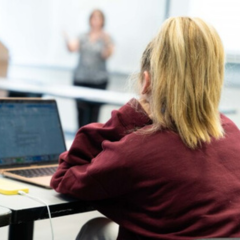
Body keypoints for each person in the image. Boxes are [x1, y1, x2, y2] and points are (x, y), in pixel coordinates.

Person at [51, 17, 240, 239]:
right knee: (100, 229)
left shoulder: (137, 152)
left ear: (147, 81)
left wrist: (130, 115)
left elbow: (64, 177)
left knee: (95, 229)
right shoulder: (233, 134)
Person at [64, 9, 114, 128]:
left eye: (98, 18)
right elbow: (72, 48)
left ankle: (91, 143)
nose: (95, 21)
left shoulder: (106, 38)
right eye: (93, 18)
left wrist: (106, 41)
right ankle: (80, 140)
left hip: (98, 82)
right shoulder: (83, 36)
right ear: (90, 20)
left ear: (103, 21)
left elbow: (107, 54)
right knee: (81, 115)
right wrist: (66, 39)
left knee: (94, 118)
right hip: (81, 80)